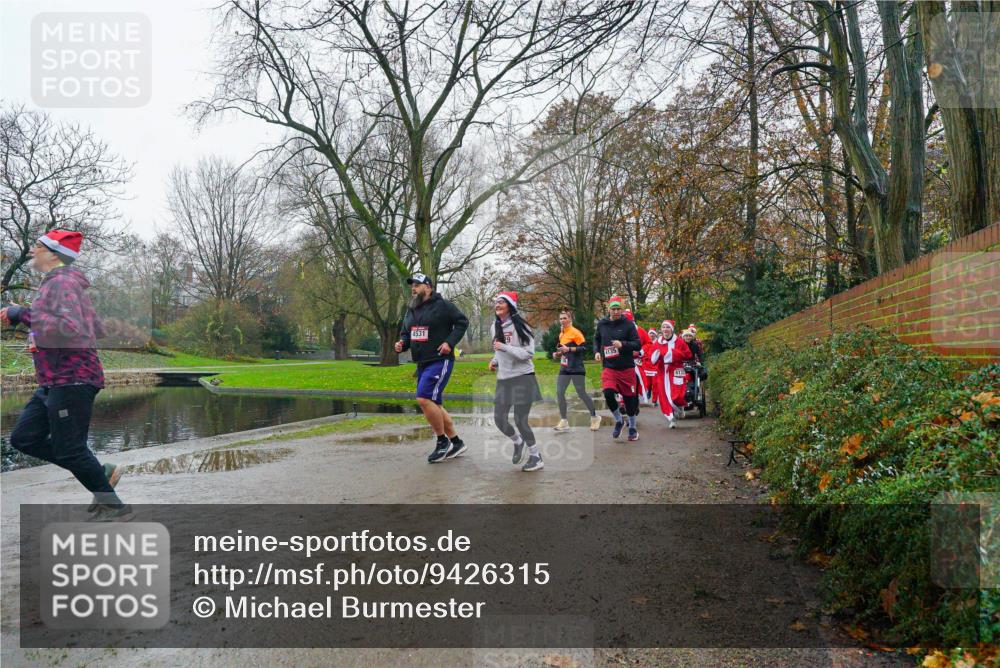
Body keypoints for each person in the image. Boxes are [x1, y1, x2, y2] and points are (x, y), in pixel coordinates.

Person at [1, 230, 130, 520]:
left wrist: (23, 314)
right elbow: (94, 327)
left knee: (70, 449)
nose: (32, 251)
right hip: (54, 380)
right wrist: (39, 336)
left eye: (38, 246)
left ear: (54, 253)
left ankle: (115, 508)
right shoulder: (57, 285)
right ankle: (100, 474)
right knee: (24, 437)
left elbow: (71, 327)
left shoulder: (64, 282)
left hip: (72, 379)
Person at [394, 272, 469, 463]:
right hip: (422, 361)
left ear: (428, 287)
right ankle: (457, 442)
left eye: (417, 284)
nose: (413, 288)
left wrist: (449, 343)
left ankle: (442, 441)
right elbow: (406, 333)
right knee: (435, 404)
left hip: (440, 359)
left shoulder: (442, 305)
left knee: (423, 398)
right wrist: (402, 344)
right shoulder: (411, 309)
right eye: (412, 285)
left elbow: (462, 322)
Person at [489, 292, 544, 472]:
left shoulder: (521, 327)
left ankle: (536, 456)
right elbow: (499, 352)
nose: (497, 305)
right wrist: (495, 361)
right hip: (504, 379)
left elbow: (528, 354)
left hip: (523, 377)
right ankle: (517, 441)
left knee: (521, 420)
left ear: (510, 306)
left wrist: (504, 347)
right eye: (496, 302)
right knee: (499, 419)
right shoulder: (493, 327)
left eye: (501, 302)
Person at [594, 296, 641, 441]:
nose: (616, 312)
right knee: (608, 393)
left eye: (618, 309)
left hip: (626, 368)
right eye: (613, 309)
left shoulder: (628, 324)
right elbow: (596, 338)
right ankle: (619, 420)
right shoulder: (602, 324)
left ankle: (632, 427)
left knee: (629, 400)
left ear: (621, 310)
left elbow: (637, 344)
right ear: (609, 310)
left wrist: (623, 344)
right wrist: (596, 351)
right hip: (610, 367)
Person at [552, 310, 600, 432]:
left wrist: (569, 348)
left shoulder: (575, 332)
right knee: (559, 392)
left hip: (576, 368)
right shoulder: (561, 333)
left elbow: (584, 348)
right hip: (565, 368)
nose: (562, 320)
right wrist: (558, 354)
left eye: (564, 318)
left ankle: (595, 417)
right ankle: (564, 421)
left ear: (570, 319)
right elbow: (564, 351)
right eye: (561, 318)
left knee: (581, 393)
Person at [650, 319, 693, 429]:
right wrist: (656, 357)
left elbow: (688, 355)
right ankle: (671, 418)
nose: (665, 329)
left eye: (667, 327)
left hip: (676, 371)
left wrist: (673, 354)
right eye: (663, 327)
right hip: (662, 373)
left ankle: (680, 407)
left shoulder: (679, 341)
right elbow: (651, 357)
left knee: (677, 396)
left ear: (672, 329)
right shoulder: (657, 342)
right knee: (664, 396)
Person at [641, 328, 659, 405]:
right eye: (650, 333)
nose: (651, 335)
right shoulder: (646, 343)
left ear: (655, 334)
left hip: (656, 366)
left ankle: (654, 400)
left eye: (653, 333)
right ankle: (648, 391)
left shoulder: (658, 343)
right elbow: (642, 352)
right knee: (648, 383)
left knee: (655, 384)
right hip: (646, 365)